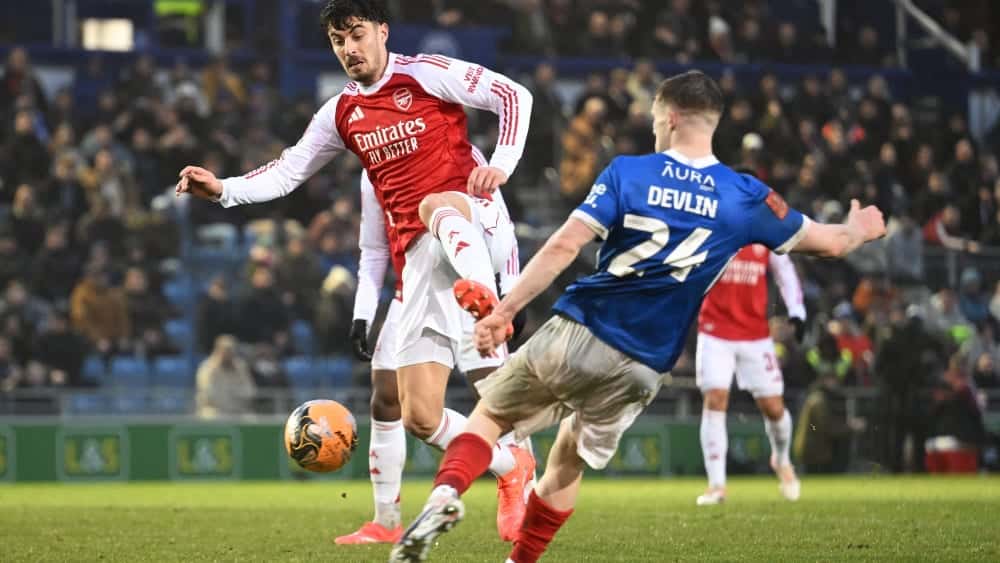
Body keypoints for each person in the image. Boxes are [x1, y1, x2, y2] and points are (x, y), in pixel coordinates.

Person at [391, 70, 885, 563]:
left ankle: (444, 496)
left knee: (492, 416)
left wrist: (504, 311)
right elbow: (831, 243)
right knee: (568, 459)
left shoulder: (629, 173)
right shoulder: (745, 195)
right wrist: (859, 228)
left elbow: (565, 245)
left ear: (670, 118)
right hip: (645, 366)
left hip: (584, 327)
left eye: (654, 120)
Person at [175, 0, 536, 540]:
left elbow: (513, 95)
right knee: (419, 416)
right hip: (419, 263)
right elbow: (288, 171)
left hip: (471, 226)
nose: (349, 49)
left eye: (357, 35)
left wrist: (502, 166)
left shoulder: (426, 73)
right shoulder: (342, 114)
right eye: (338, 41)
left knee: (438, 208)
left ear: (383, 32)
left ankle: (486, 298)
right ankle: (510, 468)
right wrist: (224, 189)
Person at [336, 169, 528, 545]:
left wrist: (509, 290)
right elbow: (374, 247)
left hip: (469, 278)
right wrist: (363, 312)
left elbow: (500, 218)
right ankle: (388, 519)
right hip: (414, 284)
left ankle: (527, 499)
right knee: (405, 408)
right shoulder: (372, 165)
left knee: (499, 399)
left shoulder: (456, 149)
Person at [695, 241, 806, 505]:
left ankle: (782, 459)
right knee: (715, 399)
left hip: (755, 334)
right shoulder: (712, 222)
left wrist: (797, 310)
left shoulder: (764, 226)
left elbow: (784, 268)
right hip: (714, 330)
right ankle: (717, 486)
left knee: (773, 408)